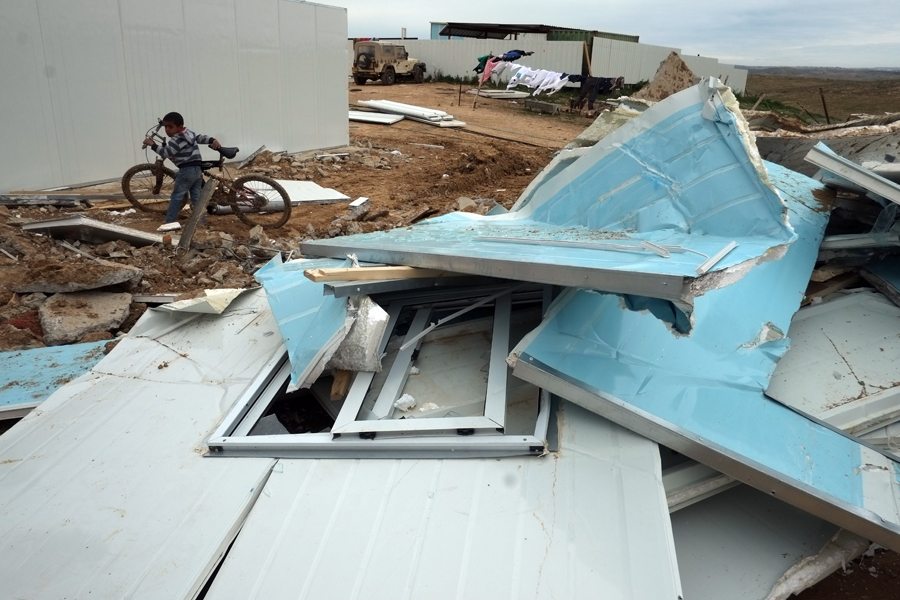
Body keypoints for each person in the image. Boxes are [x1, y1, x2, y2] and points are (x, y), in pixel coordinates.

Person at [142, 112, 222, 231]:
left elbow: (166, 153)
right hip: (197, 170)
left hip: (186, 171)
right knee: (197, 198)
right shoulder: (188, 132)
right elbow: (199, 137)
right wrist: (211, 140)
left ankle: (169, 223)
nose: (167, 130)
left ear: (179, 127)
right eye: (165, 127)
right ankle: (201, 223)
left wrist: (153, 145)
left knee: (177, 197)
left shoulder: (177, 139)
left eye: (170, 127)